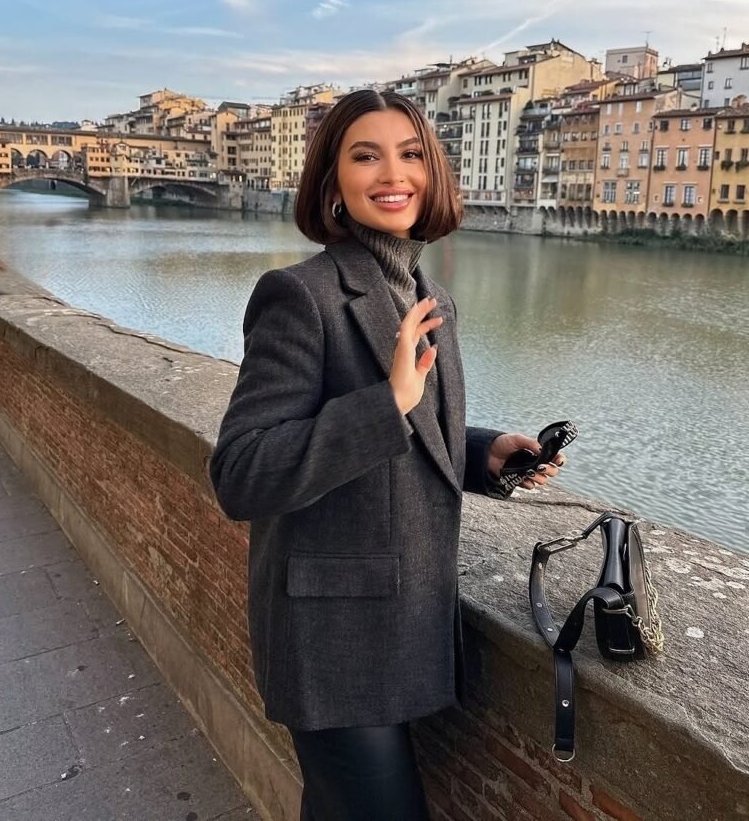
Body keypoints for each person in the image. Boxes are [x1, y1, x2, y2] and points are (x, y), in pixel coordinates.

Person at [209, 89, 567, 821]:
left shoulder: (428, 294)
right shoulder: (299, 295)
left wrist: (483, 455)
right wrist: (389, 400)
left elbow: (410, 439)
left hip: (406, 622)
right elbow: (241, 474)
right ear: (331, 181)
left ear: (432, 172)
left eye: (408, 154)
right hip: (330, 641)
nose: (390, 173)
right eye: (364, 156)